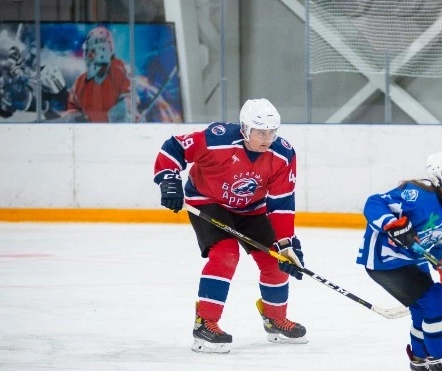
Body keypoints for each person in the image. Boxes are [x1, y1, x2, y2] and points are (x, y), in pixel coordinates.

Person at [153, 98, 307, 353]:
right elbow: (174, 147)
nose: (266, 138)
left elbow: (281, 202)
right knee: (225, 255)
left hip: (252, 209)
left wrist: (286, 243)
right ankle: (206, 323)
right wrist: (168, 178)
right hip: (207, 202)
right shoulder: (217, 139)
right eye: (260, 132)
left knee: (275, 260)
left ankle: (275, 319)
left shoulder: (283, 154)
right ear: (245, 129)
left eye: (271, 132)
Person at [356, 149, 442, 371]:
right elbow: (374, 202)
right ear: (439, 178)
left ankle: (420, 359)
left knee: (423, 308)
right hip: (385, 259)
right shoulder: (416, 194)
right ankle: (438, 360)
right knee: (437, 300)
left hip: (413, 259)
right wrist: (392, 224)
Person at [65, 26, 135, 122]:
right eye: (87, 51)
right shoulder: (80, 82)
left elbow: (128, 103)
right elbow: (72, 111)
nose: (88, 56)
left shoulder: (119, 69)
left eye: (92, 51)